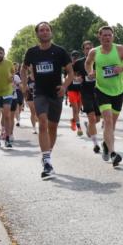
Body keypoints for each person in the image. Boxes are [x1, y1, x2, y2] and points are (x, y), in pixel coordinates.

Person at [24, 22, 74, 178]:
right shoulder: (32, 52)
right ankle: (47, 162)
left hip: (56, 93)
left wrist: (65, 86)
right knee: (43, 123)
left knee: (53, 127)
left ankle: (47, 156)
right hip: (39, 93)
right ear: (37, 34)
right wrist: (24, 85)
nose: (44, 32)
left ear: (51, 32)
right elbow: (23, 69)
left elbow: (70, 73)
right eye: (41, 30)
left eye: (47, 30)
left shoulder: (59, 51)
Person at [85, 25, 123, 167]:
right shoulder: (94, 52)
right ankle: (113, 153)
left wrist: (122, 67)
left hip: (118, 90)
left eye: (109, 35)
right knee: (108, 120)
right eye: (104, 35)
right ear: (99, 37)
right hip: (102, 90)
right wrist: (90, 72)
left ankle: (106, 145)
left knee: (112, 124)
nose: (107, 37)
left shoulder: (120, 49)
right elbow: (88, 63)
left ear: (113, 37)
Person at [77, 40, 103, 152]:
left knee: (97, 118)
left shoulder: (99, 60)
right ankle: (96, 144)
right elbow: (69, 73)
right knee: (92, 118)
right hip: (85, 93)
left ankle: (88, 127)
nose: (89, 50)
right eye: (86, 48)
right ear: (83, 50)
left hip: (98, 92)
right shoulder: (79, 62)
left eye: (90, 48)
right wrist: (76, 79)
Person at [67, 50, 84, 135]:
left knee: (78, 110)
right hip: (71, 90)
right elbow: (68, 76)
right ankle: (79, 128)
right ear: (71, 58)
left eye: (77, 57)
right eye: (74, 57)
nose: (75, 59)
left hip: (80, 90)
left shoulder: (81, 64)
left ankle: (73, 120)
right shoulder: (69, 66)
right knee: (75, 109)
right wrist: (75, 78)